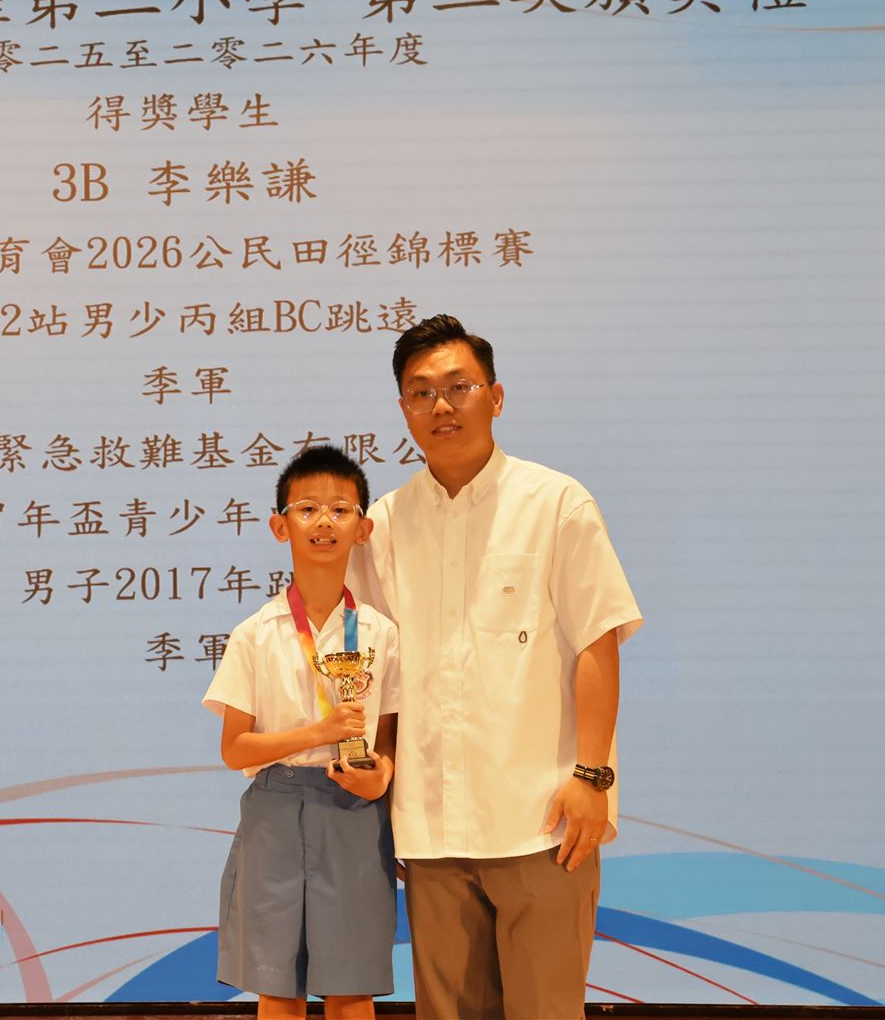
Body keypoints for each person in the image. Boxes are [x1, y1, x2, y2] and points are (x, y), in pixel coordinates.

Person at [348, 314, 643, 1019]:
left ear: (496, 397)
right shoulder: (382, 525)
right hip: (430, 826)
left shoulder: (556, 503)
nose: (441, 406)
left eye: (459, 387)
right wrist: (381, 786)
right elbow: (376, 672)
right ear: (403, 409)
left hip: (542, 820)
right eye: (421, 392)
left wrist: (592, 777)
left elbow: (598, 643)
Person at [203, 446, 401, 1020]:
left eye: (340, 509)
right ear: (279, 526)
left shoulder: (380, 632)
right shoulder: (255, 634)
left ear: (363, 529)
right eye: (307, 508)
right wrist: (318, 732)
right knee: (279, 987)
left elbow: (389, 735)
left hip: (355, 812)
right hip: (276, 810)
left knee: (351, 987)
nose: (323, 522)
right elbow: (235, 748)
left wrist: (382, 776)